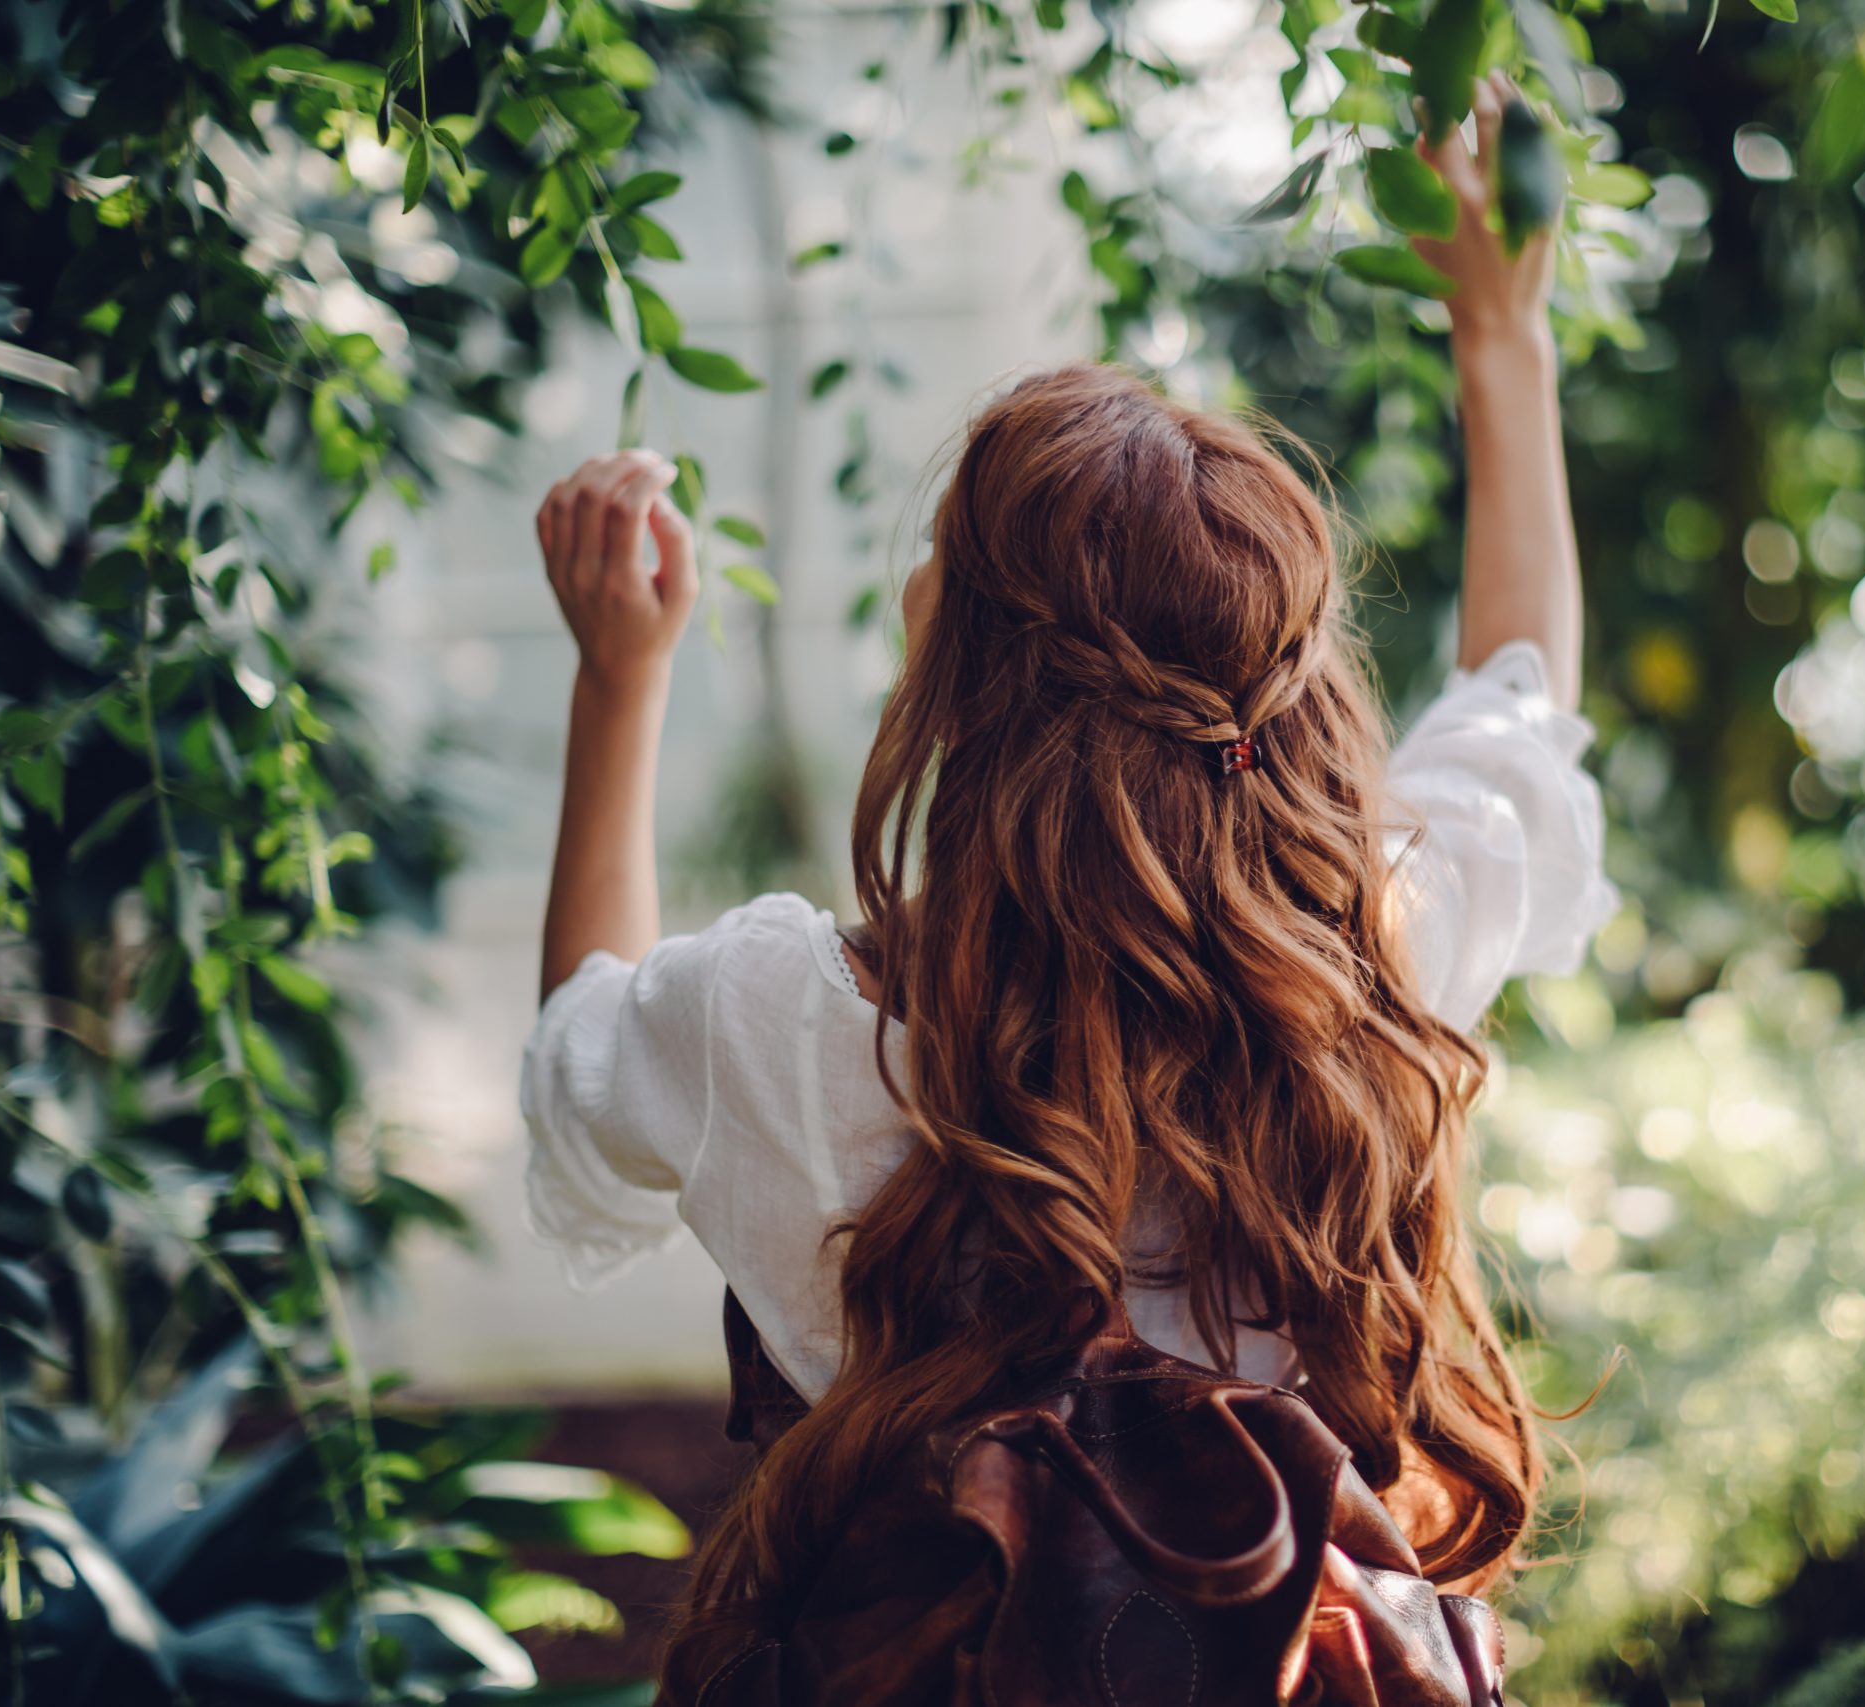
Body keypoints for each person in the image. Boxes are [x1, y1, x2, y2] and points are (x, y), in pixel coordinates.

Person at [519, 72, 1613, 1698]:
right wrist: (1502, 343)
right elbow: (1518, 699)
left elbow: (572, 1061)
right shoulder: (1373, 959)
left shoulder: (785, 1029)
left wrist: (620, 682)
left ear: (955, 680)